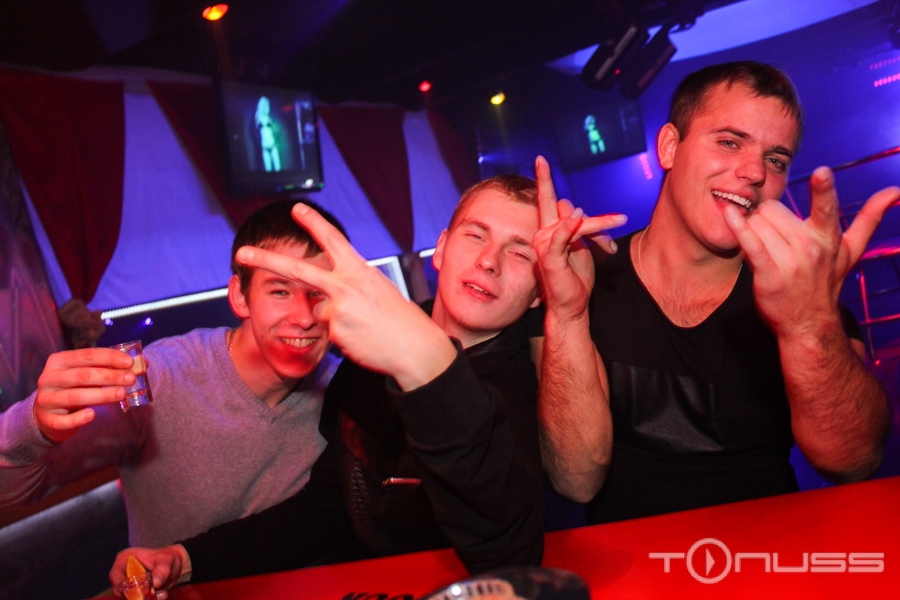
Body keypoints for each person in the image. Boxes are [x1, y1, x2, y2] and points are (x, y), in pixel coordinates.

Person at [109, 175, 547, 594]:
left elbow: (511, 555)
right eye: (476, 235)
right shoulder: (364, 361)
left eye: (520, 253)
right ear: (442, 248)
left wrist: (428, 364)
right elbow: (325, 512)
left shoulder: (534, 391)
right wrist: (185, 558)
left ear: (540, 291)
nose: (489, 260)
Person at [535, 61, 898, 524]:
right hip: (627, 560)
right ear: (669, 147)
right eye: (729, 142)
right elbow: (575, 479)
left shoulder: (797, 293)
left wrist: (808, 323)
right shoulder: (584, 280)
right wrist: (567, 314)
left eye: (776, 160)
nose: (754, 172)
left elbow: (854, 461)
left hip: (768, 554)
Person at [0, 200, 342, 547]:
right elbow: (9, 494)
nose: (304, 317)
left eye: (320, 293)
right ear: (240, 297)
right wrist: (34, 427)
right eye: (280, 291)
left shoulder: (347, 389)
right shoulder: (161, 379)